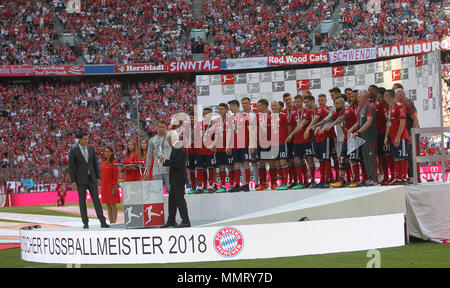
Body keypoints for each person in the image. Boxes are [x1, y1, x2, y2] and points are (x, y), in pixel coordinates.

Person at [68, 131, 109, 229]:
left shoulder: (91, 149)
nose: (87, 141)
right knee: (82, 201)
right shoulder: (73, 151)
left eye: (87, 139)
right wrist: (73, 181)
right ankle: (85, 222)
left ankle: (102, 221)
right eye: (85, 139)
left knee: (96, 200)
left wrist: (98, 177)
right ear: (80, 139)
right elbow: (71, 167)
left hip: (92, 178)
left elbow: (95, 164)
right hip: (80, 180)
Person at [160, 130, 191, 228]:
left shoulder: (177, 147)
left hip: (178, 178)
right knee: (172, 200)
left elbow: (177, 163)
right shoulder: (176, 147)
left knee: (179, 200)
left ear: (170, 139)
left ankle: (185, 221)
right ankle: (171, 220)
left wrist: (165, 161)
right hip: (175, 178)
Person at [348, 90, 378, 186]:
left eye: (359, 97)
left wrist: (358, 131)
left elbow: (369, 122)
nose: (358, 98)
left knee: (371, 158)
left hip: (370, 137)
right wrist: (351, 129)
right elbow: (358, 122)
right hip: (364, 138)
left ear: (365, 97)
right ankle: (369, 178)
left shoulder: (369, 107)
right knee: (366, 158)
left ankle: (374, 179)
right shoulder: (360, 108)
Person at [384, 89, 409, 185]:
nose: (384, 99)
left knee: (403, 157)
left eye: (385, 97)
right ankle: (398, 178)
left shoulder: (400, 107)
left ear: (390, 96)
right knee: (396, 158)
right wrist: (386, 136)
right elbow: (388, 123)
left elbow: (403, 123)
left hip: (401, 137)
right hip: (392, 137)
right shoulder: (390, 108)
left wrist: (398, 137)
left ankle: (404, 178)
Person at [146, 120, 172, 195]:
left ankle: (171, 206)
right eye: (159, 127)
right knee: (157, 192)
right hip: (157, 169)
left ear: (166, 127)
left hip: (168, 169)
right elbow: (149, 156)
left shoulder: (170, 138)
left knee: (170, 190)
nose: (161, 129)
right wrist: (148, 171)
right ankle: (159, 207)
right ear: (157, 127)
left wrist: (171, 165)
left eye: (163, 127)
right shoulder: (152, 140)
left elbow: (173, 152)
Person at [101, 146, 120, 224]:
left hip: (111, 186)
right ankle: (111, 221)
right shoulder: (103, 163)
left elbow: (116, 176)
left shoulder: (114, 163)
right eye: (105, 151)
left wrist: (115, 186)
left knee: (113, 204)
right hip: (105, 186)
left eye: (108, 151)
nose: (106, 153)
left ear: (111, 153)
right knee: (108, 204)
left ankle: (114, 221)